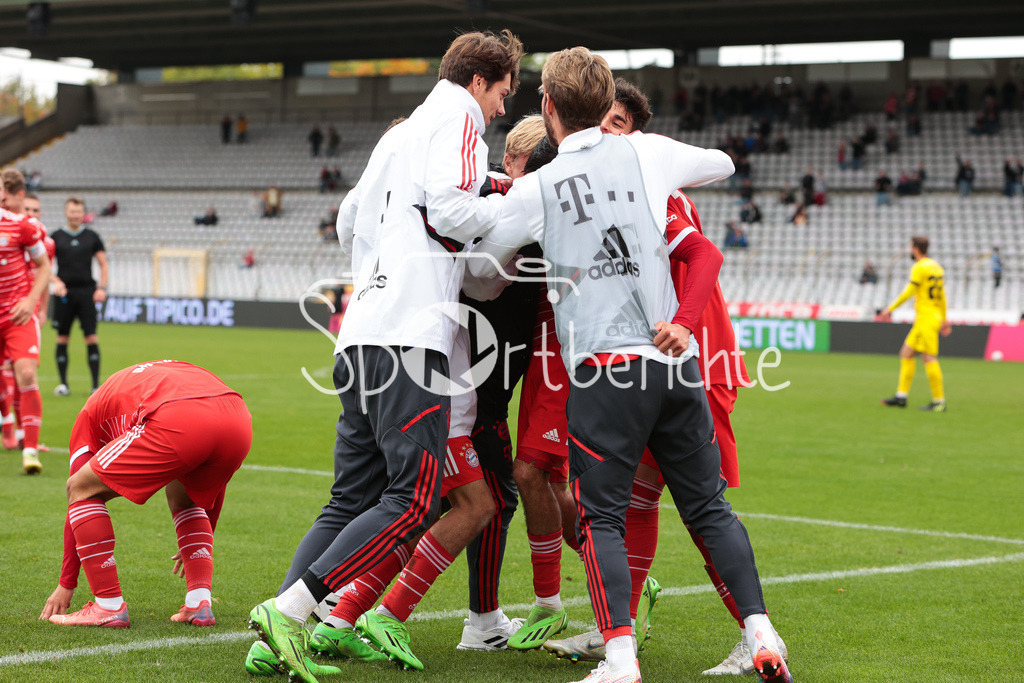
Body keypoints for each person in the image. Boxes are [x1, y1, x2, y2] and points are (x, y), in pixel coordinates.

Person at [467, 47, 790, 683]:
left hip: (603, 371)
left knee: (602, 517)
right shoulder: (648, 152)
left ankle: (620, 657)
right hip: (674, 365)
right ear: (606, 101)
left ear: (549, 107)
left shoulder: (538, 186)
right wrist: (653, 171)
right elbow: (722, 163)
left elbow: (482, 275)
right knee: (709, 511)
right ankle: (760, 629)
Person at [245, 29, 524, 683]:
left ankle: (269, 642)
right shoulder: (458, 116)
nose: (502, 110)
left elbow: (347, 222)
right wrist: (507, 204)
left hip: (359, 330)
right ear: (479, 81)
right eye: (504, 93)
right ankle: (290, 609)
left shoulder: (397, 135)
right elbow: (453, 209)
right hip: (411, 336)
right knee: (412, 496)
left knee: (350, 498)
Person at [39, 360, 251, 628]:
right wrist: (207, 534)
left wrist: (66, 584)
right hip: (238, 417)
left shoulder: (88, 418)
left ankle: (108, 606)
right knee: (183, 493)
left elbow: (77, 493)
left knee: (81, 486)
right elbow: (210, 487)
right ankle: (199, 602)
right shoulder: (156, 374)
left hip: (178, 415)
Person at [0, 172, 52, 474]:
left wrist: (32, 301)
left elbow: (44, 267)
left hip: (17, 313)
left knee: (27, 373)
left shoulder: (22, 225)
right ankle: (7, 421)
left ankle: (30, 450)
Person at [878, 236, 950, 412]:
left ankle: (939, 401)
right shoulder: (936, 267)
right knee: (906, 353)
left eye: (911, 247)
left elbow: (909, 290)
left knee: (928, 357)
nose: (911, 250)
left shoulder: (919, 267)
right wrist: (944, 318)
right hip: (930, 317)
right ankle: (901, 397)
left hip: (926, 318)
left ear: (916, 248)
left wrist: (890, 308)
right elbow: (942, 296)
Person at [51, 196, 108, 396]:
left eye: (78, 211)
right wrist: (55, 282)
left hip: (87, 293)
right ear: (66, 212)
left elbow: (103, 263)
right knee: (62, 338)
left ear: (83, 214)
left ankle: (95, 386)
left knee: (91, 337)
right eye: (72, 211)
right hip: (64, 293)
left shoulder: (92, 236)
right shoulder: (56, 236)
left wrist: (102, 288)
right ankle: (63, 385)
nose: (75, 215)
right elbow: (44, 265)